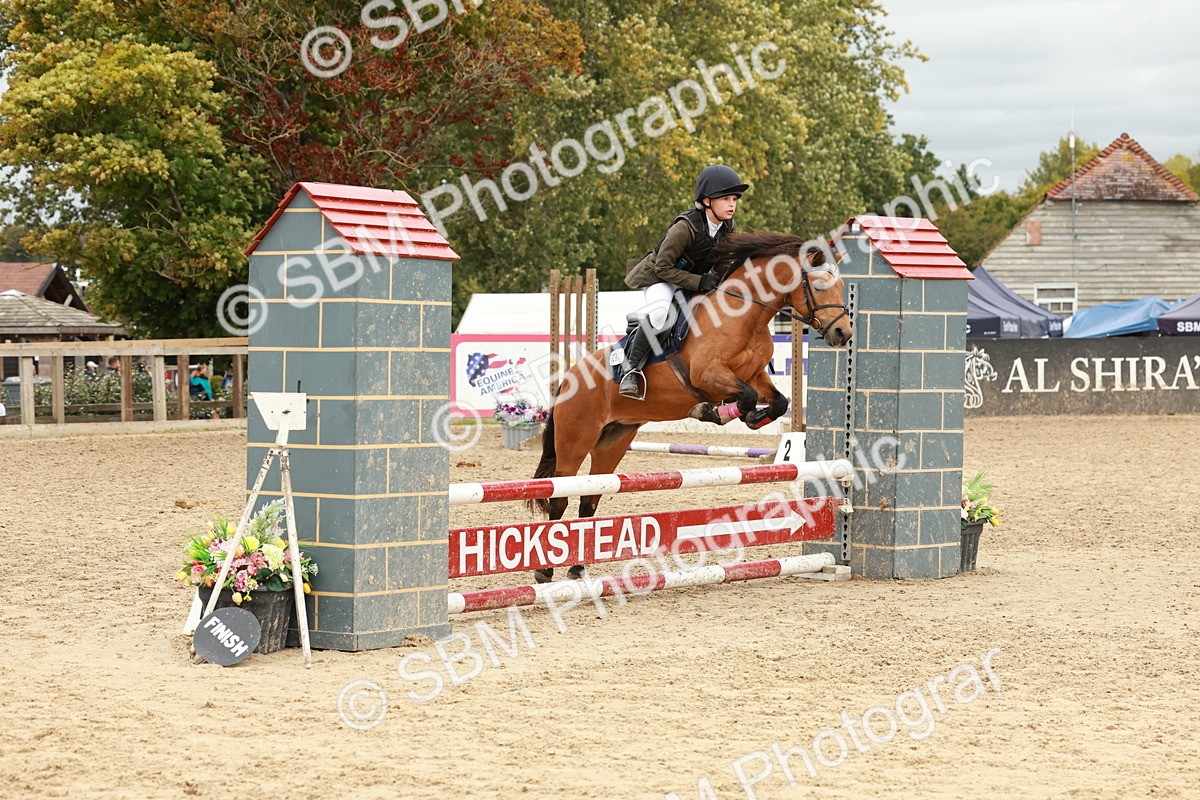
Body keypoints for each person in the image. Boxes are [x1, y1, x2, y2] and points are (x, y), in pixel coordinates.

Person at [619, 164, 749, 399]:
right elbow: (663, 267)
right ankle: (630, 369)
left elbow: (720, 264)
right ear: (707, 201)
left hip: (691, 281)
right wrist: (700, 282)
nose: (732, 204)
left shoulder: (728, 227)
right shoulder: (685, 228)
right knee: (661, 316)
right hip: (661, 278)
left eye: (734, 199)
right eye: (726, 199)